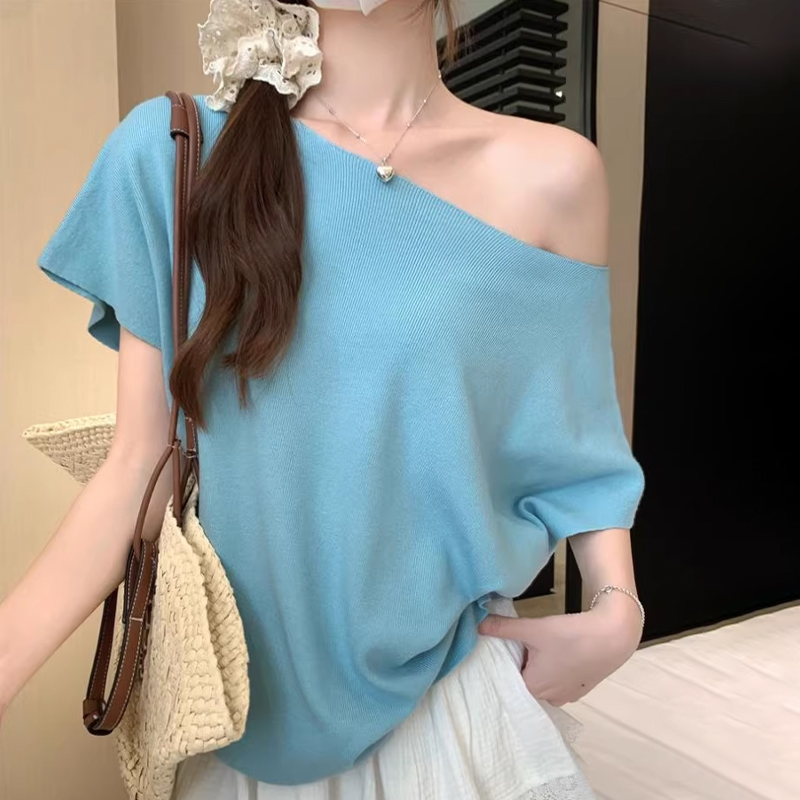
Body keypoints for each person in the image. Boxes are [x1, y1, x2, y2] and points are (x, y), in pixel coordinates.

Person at [0, 0, 646, 797]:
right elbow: (138, 467)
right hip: (241, 715)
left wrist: (618, 607)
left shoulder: (553, 175)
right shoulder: (173, 151)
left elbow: (575, 447)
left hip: (455, 703)